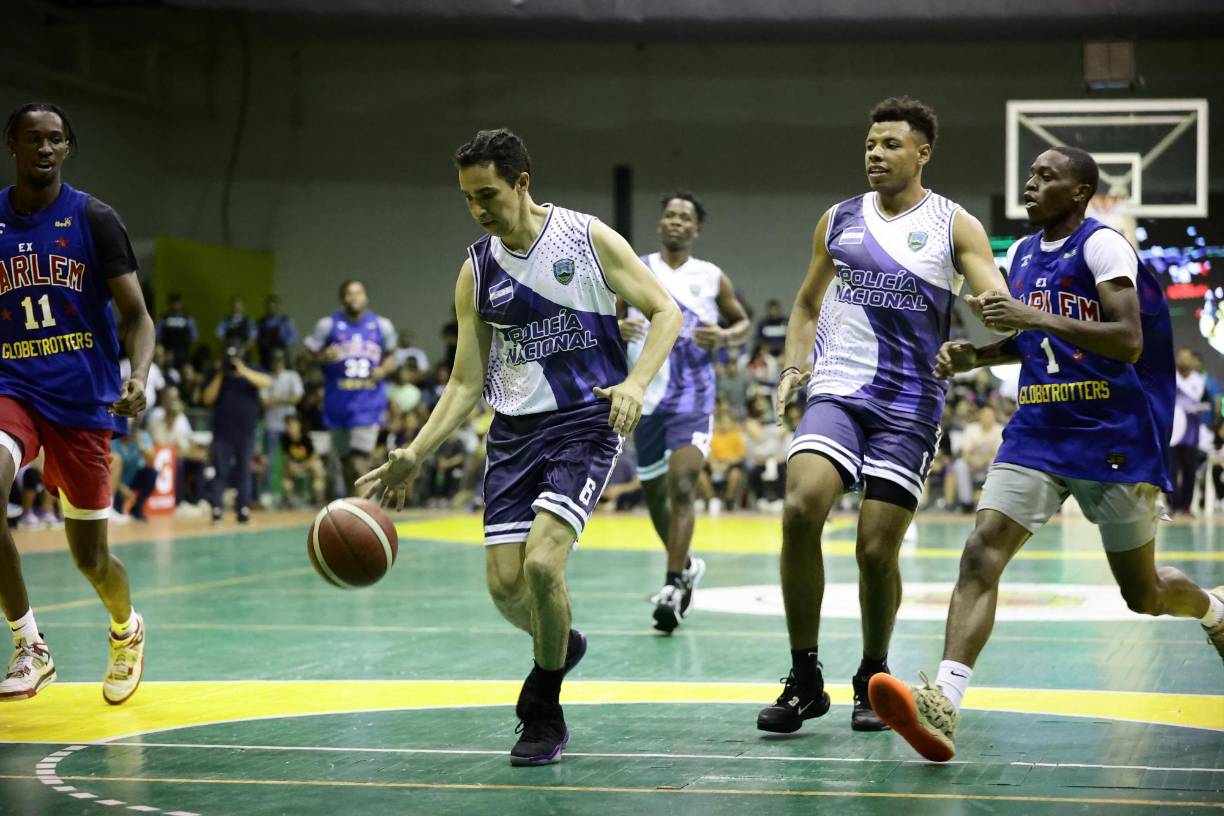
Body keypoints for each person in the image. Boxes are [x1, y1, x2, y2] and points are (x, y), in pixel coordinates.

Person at [867, 147, 1224, 762]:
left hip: (1111, 433)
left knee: (1141, 594)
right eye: (1029, 176)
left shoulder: (1104, 246)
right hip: (1037, 428)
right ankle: (944, 703)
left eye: (1046, 177)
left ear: (1081, 191)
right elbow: (1034, 336)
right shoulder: (1022, 254)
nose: (1030, 185)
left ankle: (1215, 609)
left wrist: (1030, 314)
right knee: (981, 552)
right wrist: (978, 355)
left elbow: (1128, 340)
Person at [357, 128, 681, 766]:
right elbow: (465, 381)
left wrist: (636, 383)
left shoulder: (586, 239)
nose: (478, 210)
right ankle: (559, 644)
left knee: (540, 565)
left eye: (488, 195)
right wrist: (416, 451)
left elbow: (665, 310)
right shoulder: (476, 270)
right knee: (505, 586)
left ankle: (544, 707)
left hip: (584, 424)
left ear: (522, 183)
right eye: (468, 199)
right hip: (513, 433)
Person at [757, 97, 1007, 734]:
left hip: (909, 404)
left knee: (875, 551)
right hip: (839, 388)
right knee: (800, 504)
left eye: (891, 144)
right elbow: (807, 305)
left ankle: (872, 673)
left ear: (922, 153)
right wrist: (793, 367)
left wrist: (987, 340)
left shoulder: (955, 226)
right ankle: (804, 674)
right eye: (870, 143)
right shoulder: (838, 219)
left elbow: (999, 307)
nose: (875, 153)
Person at [0, 102, 155, 703]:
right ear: (12, 144)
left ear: (68, 148)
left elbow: (138, 317)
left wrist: (137, 375)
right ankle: (29, 645)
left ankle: (125, 628)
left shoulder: (94, 218)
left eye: (56, 140)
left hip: (83, 400)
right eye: (33, 139)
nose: (45, 148)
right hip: (13, 387)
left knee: (91, 561)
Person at [618, 190, 750, 632]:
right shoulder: (636, 268)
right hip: (646, 400)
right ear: (661, 225)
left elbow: (741, 320)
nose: (676, 222)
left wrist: (726, 337)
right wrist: (618, 326)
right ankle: (687, 566)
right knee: (655, 497)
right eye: (670, 215)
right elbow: (602, 317)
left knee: (682, 487)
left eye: (685, 217)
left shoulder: (711, 277)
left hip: (693, 397)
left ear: (696, 229)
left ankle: (673, 585)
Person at [304, 280, 397, 497]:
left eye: (358, 293)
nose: (354, 297)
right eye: (349, 293)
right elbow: (305, 359)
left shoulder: (381, 326)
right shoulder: (327, 325)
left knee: (358, 461)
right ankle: (354, 513)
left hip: (367, 403)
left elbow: (392, 355)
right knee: (346, 465)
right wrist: (320, 358)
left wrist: (383, 369)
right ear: (342, 298)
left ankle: (367, 516)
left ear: (365, 296)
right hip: (337, 405)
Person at [201, 344, 270, 523]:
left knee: (244, 472)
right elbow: (207, 398)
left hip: (246, 432)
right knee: (220, 471)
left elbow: (267, 382)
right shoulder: (216, 373)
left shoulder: (251, 370)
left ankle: (243, 511)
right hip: (222, 433)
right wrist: (221, 374)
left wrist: (243, 371)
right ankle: (217, 510)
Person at [255, 293, 299, 370]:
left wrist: (284, 341)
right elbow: (255, 337)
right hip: (265, 357)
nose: (271, 308)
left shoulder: (285, 321)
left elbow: (294, 336)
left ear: (278, 306)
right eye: (269, 306)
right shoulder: (260, 322)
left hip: (280, 357)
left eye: (273, 306)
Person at [155, 292, 197, 372]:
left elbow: (194, 337)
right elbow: (158, 336)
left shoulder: (187, 319)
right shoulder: (164, 319)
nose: (175, 304)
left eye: (177, 302)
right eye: (173, 302)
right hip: (168, 353)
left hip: (183, 353)